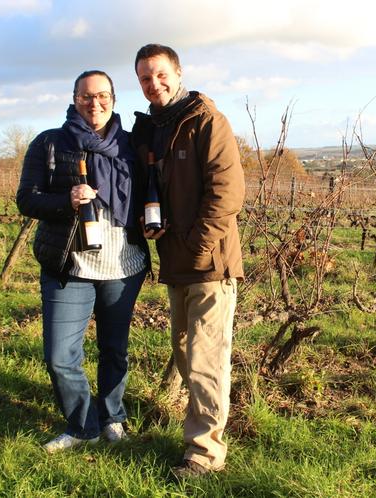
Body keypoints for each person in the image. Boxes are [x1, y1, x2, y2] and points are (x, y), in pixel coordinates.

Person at [17, 70, 149, 454]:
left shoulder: (130, 145)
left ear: (114, 98)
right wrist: (65, 201)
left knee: (114, 350)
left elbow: (149, 195)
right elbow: (26, 199)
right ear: (74, 98)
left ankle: (112, 417)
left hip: (123, 266)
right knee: (60, 357)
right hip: (69, 266)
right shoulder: (50, 144)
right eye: (87, 96)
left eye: (103, 95)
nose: (95, 103)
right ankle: (82, 425)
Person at [131, 44, 245, 478]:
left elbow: (227, 192)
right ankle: (197, 428)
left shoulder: (206, 121)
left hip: (210, 263)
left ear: (178, 74)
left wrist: (198, 246)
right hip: (174, 260)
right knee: (184, 352)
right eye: (144, 78)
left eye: (160, 74)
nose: (153, 83)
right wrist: (148, 221)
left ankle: (204, 453)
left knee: (206, 358)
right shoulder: (153, 131)